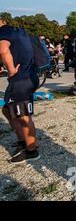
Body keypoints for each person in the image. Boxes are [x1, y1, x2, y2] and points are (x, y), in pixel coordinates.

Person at [0, 17, 40, 164]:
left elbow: (3, 51)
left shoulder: (3, 32)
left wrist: (10, 71)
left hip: (21, 78)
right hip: (29, 75)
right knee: (7, 109)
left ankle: (31, 150)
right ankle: (24, 142)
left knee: (22, 114)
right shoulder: (18, 32)